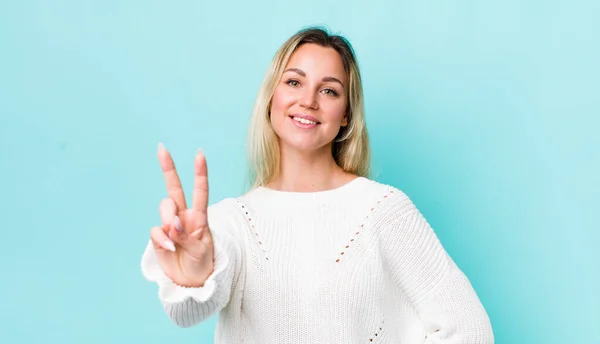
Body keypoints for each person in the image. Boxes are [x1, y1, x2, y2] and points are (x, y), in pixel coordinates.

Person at [140, 26, 494, 343]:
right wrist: (193, 278)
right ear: (271, 99)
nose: (308, 100)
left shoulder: (382, 210)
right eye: (294, 82)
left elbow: (470, 331)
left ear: (346, 116)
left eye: (329, 90)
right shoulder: (231, 222)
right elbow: (187, 313)